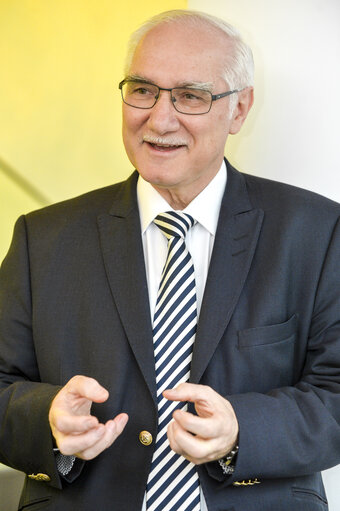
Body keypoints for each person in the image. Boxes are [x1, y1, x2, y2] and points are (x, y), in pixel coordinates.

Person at [0, 9, 339, 511]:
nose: (159, 119)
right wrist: (45, 419)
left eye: (190, 95)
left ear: (239, 109)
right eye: (142, 90)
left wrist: (241, 430)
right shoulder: (42, 237)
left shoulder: (316, 231)